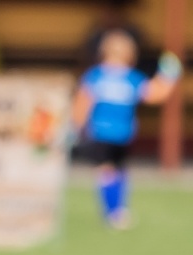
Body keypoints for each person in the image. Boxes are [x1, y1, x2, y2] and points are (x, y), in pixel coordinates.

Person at [73, 30, 181, 229]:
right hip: (117, 133)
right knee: (115, 171)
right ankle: (116, 211)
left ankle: (113, 211)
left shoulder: (97, 76)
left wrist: (76, 127)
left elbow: (82, 105)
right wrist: (169, 74)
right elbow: (157, 93)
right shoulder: (130, 78)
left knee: (108, 171)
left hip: (105, 133)